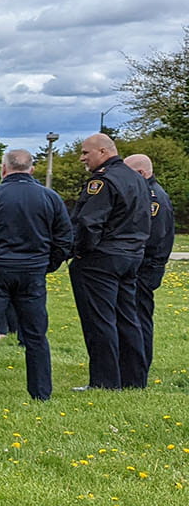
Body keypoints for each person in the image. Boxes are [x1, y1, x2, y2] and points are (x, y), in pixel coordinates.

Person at [0, 149, 73, 400]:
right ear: (32, 170)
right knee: (35, 334)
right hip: (32, 270)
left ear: (4, 169)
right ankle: (41, 392)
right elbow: (64, 238)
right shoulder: (49, 198)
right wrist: (47, 264)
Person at [68, 133, 152, 390]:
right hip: (131, 256)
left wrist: (78, 251)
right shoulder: (137, 180)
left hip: (102, 259)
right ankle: (133, 379)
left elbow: (89, 223)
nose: (82, 158)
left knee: (100, 320)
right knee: (128, 318)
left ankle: (104, 381)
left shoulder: (103, 182)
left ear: (103, 152)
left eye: (86, 152)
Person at [123, 153, 175, 377]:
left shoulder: (154, 199)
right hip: (144, 265)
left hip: (146, 267)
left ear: (142, 173)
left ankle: (139, 366)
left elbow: (151, 237)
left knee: (139, 316)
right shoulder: (147, 194)